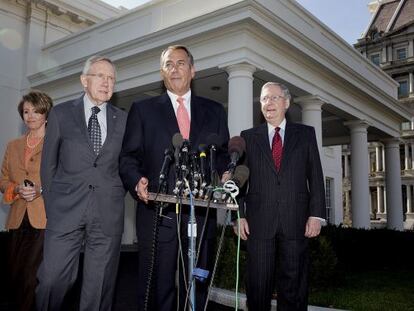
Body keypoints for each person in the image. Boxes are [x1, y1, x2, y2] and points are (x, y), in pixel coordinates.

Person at [119, 45, 230, 311]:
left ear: (193, 70)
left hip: (201, 212)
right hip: (158, 211)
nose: (175, 69)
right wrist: (136, 181)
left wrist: (227, 174)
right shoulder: (143, 110)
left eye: (181, 63)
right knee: (159, 283)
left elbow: (223, 153)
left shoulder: (214, 110)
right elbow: (128, 158)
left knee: (197, 282)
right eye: (169, 64)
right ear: (162, 72)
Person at [36, 55, 127, 311]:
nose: (107, 83)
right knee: (52, 281)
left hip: (107, 213)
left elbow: (127, 163)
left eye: (111, 78)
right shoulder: (61, 114)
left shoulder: (124, 119)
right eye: (100, 76)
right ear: (84, 80)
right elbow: (48, 165)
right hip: (65, 211)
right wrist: (52, 205)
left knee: (98, 290)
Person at [233, 82, 326, 311]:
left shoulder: (305, 134)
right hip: (258, 224)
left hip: (296, 221)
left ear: (286, 102)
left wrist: (316, 215)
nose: (268, 103)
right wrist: (239, 215)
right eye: (264, 99)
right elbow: (241, 180)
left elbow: (315, 175)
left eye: (274, 98)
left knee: (293, 288)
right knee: (257, 286)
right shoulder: (248, 137)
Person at [0, 91, 53, 311]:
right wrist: (16, 189)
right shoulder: (13, 145)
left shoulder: (56, 144)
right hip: (17, 218)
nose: (30, 116)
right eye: (26, 111)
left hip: (44, 220)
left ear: (46, 114)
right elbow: (3, 179)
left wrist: (40, 189)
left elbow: (63, 180)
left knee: (32, 277)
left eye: (36, 111)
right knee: (15, 275)